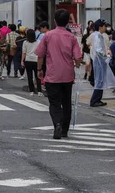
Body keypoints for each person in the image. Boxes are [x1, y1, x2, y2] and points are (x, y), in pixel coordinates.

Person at [35, 9, 82, 139]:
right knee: (66, 102)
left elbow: (40, 55)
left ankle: (57, 124)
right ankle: (65, 130)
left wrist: (39, 70)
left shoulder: (48, 36)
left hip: (52, 74)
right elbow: (78, 58)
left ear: (54, 21)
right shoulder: (71, 37)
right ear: (67, 22)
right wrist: (76, 65)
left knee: (54, 103)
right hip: (67, 75)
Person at [88, 19, 111, 107]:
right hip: (99, 62)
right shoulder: (98, 36)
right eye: (104, 26)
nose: (106, 27)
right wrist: (106, 57)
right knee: (99, 80)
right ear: (100, 27)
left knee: (100, 80)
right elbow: (99, 50)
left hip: (98, 61)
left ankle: (98, 99)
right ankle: (94, 100)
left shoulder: (96, 35)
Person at [22, 29, 42, 96]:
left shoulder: (25, 42)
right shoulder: (38, 42)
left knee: (29, 76)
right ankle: (39, 91)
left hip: (28, 60)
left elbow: (24, 53)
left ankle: (31, 91)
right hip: (36, 60)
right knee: (37, 76)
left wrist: (22, 61)